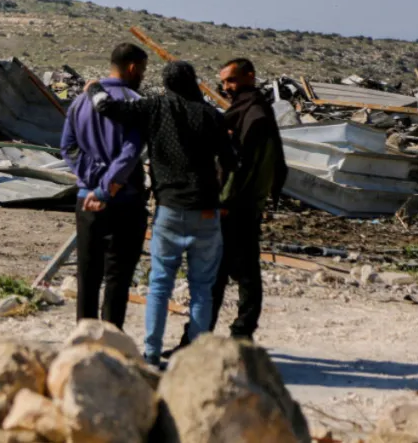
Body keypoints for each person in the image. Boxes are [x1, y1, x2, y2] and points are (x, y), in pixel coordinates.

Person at [85, 61, 235, 367]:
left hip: (169, 209)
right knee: (202, 289)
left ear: (166, 84)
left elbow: (107, 108)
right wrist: (220, 193)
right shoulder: (210, 115)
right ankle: (195, 356)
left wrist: (93, 88)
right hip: (206, 211)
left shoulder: (153, 108)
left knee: (159, 286)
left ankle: (151, 354)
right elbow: (231, 161)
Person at [60, 43, 149, 331]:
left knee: (87, 276)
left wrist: (93, 177)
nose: (143, 76)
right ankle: (110, 342)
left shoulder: (79, 102)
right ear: (133, 68)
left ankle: (83, 340)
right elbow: (130, 151)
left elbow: (68, 147)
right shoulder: (135, 102)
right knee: (117, 279)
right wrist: (107, 185)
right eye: (143, 70)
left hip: (86, 202)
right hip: (124, 202)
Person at [210, 57, 288, 340]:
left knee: (238, 272)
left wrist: (226, 202)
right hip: (240, 204)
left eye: (231, 80)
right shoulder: (247, 110)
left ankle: (240, 331)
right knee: (232, 270)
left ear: (250, 77)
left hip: (238, 207)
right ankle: (225, 331)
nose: (226, 87)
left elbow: (245, 165)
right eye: (224, 82)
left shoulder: (254, 115)